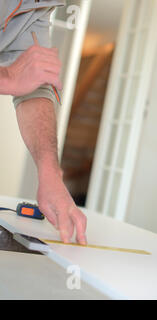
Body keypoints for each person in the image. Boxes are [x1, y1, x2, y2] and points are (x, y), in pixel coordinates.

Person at [0, 0, 87, 245]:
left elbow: (34, 88)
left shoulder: (39, 5)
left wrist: (49, 172)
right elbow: (15, 77)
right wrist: (7, 77)